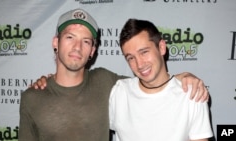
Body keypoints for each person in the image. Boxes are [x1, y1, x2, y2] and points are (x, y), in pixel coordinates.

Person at [19, 8, 209, 141]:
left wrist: (183, 76)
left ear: (93, 50)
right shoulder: (32, 97)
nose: (77, 47)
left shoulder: (105, 82)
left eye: (86, 41)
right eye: (70, 37)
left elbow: (154, 82)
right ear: (55, 42)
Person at [109, 18, 213, 141]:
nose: (140, 64)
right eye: (131, 58)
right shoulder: (119, 92)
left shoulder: (192, 94)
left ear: (162, 47)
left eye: (144, 52)